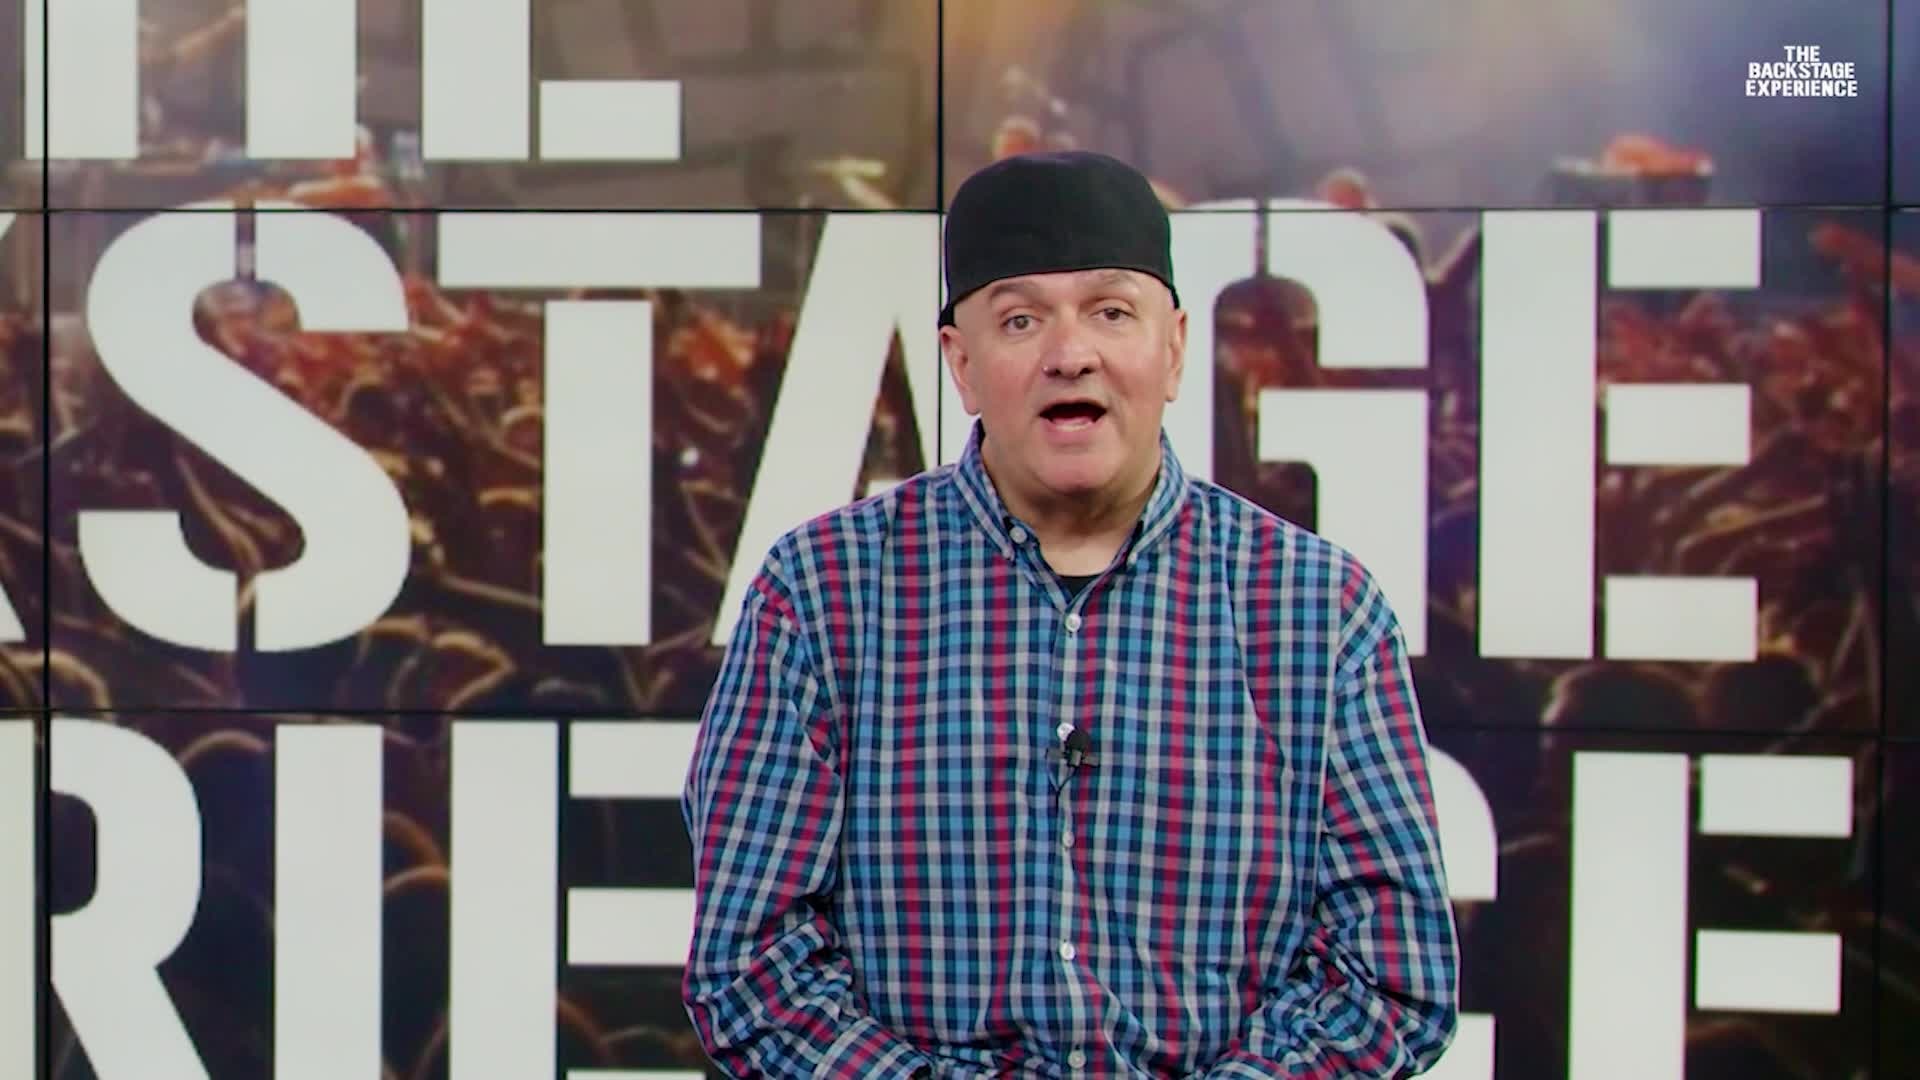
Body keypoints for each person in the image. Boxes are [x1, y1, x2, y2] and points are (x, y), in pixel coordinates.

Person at [681, 150, 1458, 1078]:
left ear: (1174, 349)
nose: (1070, 353)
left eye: (1111, 312)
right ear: (962, 366)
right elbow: (751, 967)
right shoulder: (821, 594)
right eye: (1020, 320)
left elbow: (1390, 975)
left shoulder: (1316, 610)